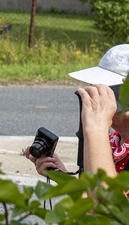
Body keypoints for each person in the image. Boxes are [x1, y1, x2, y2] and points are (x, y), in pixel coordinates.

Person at [27, 44, 129, 178]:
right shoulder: (112, 141)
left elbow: (109, 198)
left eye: (110, 89)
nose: (96, 94)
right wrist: (61, 175)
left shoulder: (99, 137)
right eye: (95, 85)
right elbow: (92, 195)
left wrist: (95, 129)